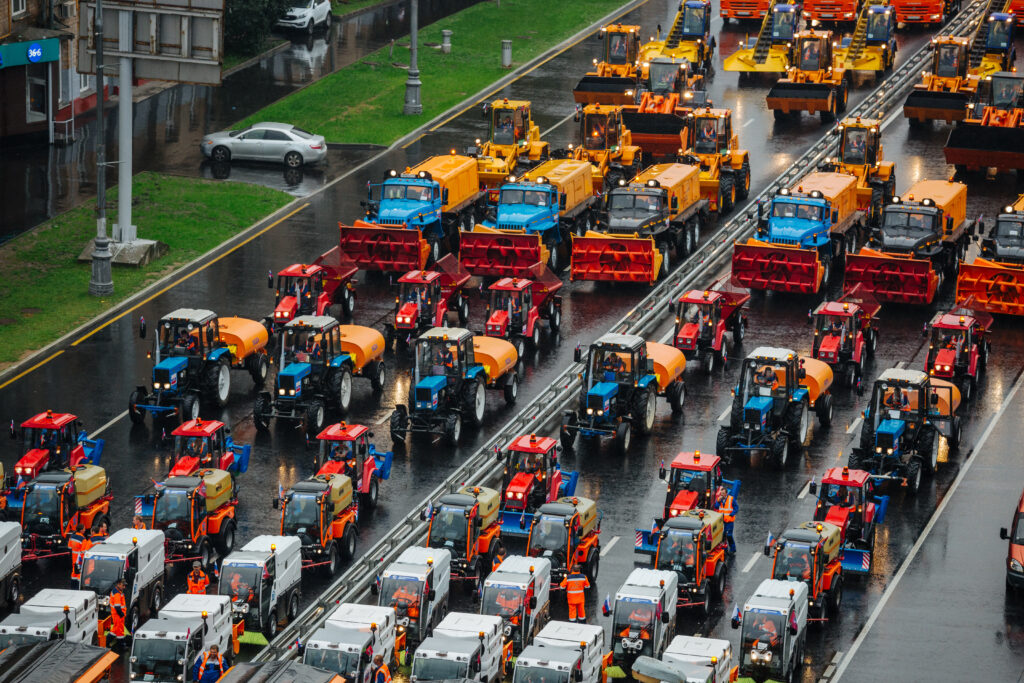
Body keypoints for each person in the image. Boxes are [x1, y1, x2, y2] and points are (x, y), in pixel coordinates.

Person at [714, 488, 737, 554]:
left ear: (726, 493)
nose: (722, 495)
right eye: (721, 494)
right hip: (722, 521)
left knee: (729, 535)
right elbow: (716, 507)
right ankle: (725, 548)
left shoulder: (731, 499)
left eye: (723, 493)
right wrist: (718, 501)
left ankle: (733, 548)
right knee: (723, 535)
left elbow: (736, 508)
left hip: (729, 521)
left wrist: (731, 514)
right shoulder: (719, 500)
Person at [108, 578, 128, 651]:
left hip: (116, 615)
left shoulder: (117, 591)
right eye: (123, 585)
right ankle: (121, 646)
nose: (124, 587)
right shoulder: (117, 594)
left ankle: (106, 642)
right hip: (118, 615)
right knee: (120, 631)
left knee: (115, 630)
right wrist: (122, 614)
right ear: (118, 584)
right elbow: (117, 607)